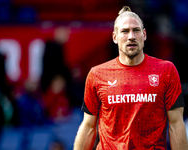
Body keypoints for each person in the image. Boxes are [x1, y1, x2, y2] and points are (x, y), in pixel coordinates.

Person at [73, 6, 188, 150]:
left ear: (144, 35)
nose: (131, 36)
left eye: (136, 30)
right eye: (125, 31)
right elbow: (89, 126)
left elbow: (176, 124)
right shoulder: (96, 74)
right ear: (115, 37)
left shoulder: (166, 70)